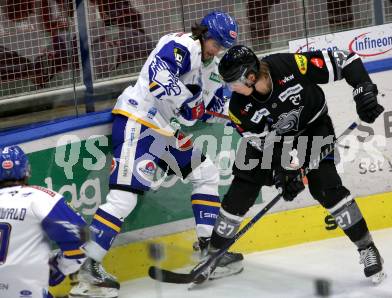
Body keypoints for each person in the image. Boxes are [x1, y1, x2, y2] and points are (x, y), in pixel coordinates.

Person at [69, 11, 243, 297]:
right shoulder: (183, 45)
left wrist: (230, 114)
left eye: (222, 45)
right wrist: (188, 102)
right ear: (204, 33)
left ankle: (209, 249)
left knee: (205, 171)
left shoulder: (211, 66)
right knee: (123, 198)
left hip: (161, 131)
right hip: (138, 121)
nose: (218, 49)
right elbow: (158, 75)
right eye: (216, 42)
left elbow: (203, 112)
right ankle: (88, 268)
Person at [193, 45, 386, 285]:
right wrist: (283, 173)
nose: (230, 88)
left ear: (250, 77)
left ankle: (366, 247)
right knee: (243, 186)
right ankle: (214, 255)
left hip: (313, 128)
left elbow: (343, 59)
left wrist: (363, 90)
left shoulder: (288, 65)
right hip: (273, 142)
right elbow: (265, 145)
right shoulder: (239, 108)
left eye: (233, 82)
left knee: (326, 187)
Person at [0, 145, 87, 297]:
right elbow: (80, 239)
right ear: (27, 170)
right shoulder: (40, 198)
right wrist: (59, 268)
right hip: (25, 292)